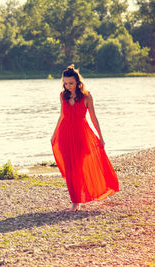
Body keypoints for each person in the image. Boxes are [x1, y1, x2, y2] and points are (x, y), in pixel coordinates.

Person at [51, 65, 119, 212]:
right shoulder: (63, 95)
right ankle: (75, 201)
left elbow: (93, 117)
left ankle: (80, 197)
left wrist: (101, 136)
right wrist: (54, 134)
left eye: (71, 83)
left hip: (81, 134)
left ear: (77, 82)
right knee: (69, 169)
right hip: (64, 134)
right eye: (65, 83)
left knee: (79, 168)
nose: (68, 86)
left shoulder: (87, 96)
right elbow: (62, 115)